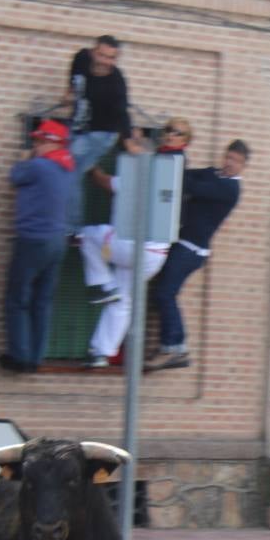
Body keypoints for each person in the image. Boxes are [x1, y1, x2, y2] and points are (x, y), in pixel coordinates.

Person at [77, 121, 191, 369]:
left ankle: (102, 284)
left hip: (132, 248)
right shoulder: (161, 174)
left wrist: (89, 165)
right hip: (155, 256)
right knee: (123, 301)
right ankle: (100, 352)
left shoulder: (140, 171)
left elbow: (105, 183)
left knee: (87, 236)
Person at [144, 138, 250, 372]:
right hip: (181, 243)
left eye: (236, 161)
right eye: (228, 157)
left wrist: (184, 175)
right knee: (161, 293)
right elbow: (187, 176)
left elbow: (189, 184)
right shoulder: (215, 174)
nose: (230, 163)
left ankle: (174, 348)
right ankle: (174, 346)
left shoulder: (229, 189)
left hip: (191, 250)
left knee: (165, 293)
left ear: (244, 166)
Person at [0, 119, 75, 374]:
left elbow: (15, 176)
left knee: (18, 299)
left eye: (39, 141)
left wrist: (23, 158)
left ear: (49, 142)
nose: (35, 145)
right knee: (42, 302)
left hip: (33, 240)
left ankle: (20, 357)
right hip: (56, 242)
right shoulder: (66, 168)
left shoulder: (39, 166)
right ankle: (36, 357)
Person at [63, 35, 134, 236]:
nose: (104, 62)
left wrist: (128, 140)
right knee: (57, 161)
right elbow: (74, 80)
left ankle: (73, 229)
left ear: (116, 59)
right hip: (77, 127)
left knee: (71, 169)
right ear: (93, 52)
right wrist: (68, 93)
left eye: (110, 58)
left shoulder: (116, 83)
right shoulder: (81, 59)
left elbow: (122, 113)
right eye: (101, 55)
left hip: (101, 134)